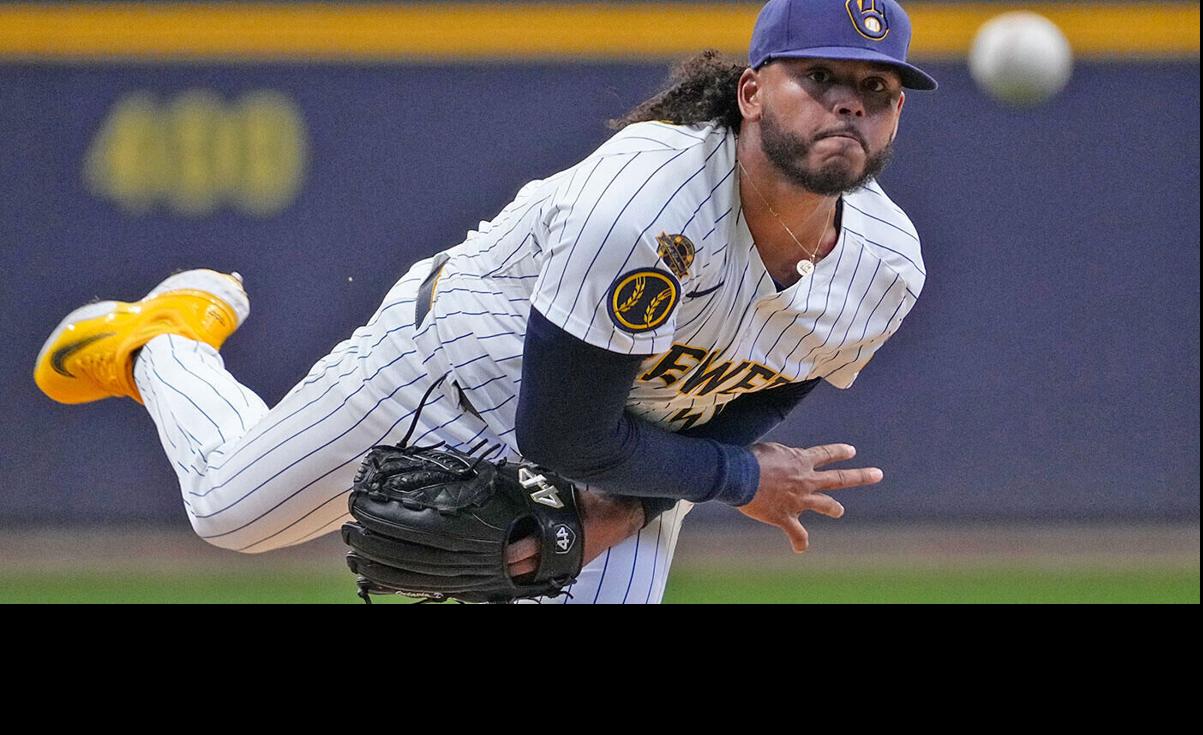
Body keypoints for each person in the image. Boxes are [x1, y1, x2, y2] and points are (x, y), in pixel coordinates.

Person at [34, 0, 935, 604]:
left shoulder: (885, 269)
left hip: (625, 441)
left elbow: (754, 393)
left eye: (876, 89)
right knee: (228, 510)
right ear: (751, 93)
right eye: (820, 77)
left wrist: (634, 508)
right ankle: (165, 342)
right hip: (454, 374)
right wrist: (738, 480)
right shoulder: (647, 206)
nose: (848, 105)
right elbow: (563, 435)